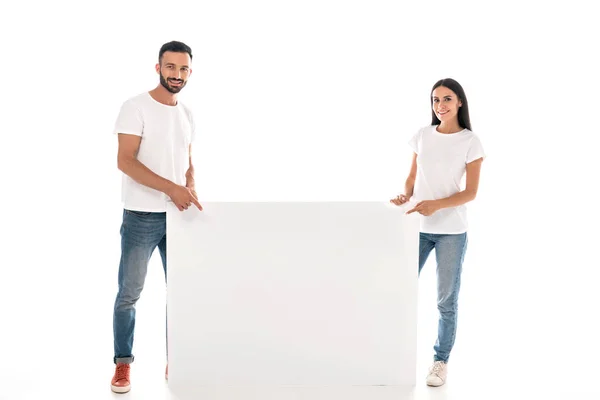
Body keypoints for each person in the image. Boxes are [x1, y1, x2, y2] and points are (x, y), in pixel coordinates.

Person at [110, 40, 203, 394]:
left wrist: (190, 187)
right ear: (158, 68)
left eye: (183, 69)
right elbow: (126, 161)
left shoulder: (187, 113)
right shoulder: (135, 107)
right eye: (170, 67)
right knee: (129, 293)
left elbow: (187, 159)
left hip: (179, 218)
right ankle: (123, 364)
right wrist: (172, 188)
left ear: (189, 72)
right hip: (141, 217)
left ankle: (176, 360)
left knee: (179, 293)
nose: (176, 75)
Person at [390, 78, 485, 387]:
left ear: (459, 102)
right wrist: (407, 196)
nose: (440, 105)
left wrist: (436, 205)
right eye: (435, 100)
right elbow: (411, 177)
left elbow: (470, 193)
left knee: (446, 302)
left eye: (446, 99)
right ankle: (393, 354)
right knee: (398, 289)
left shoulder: (471, 142)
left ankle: (439, 362)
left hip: (451, 232)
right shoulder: (422, 136)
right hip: (417, 227)